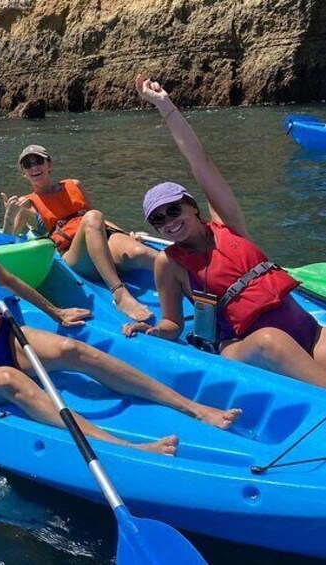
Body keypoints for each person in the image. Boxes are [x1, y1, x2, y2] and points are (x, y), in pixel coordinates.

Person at [0, 202, 241, 456]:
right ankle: (123, 449)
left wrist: (56, 312)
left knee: (77, 351)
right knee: (11, 381)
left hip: (1, 337)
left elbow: (5, 277)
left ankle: (194, 409)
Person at [123, 75, 326, 388]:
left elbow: (199, 160)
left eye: (174, 210)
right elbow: (173, 322)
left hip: (307, 332)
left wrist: (165, 106)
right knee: (271, 341)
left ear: (193, 206)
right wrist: (154, 332)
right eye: (159, 220)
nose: (169, 222)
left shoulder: (229, 225)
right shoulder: (170, 263)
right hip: (243, 344)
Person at [10, 145, 157, 322]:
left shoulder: (74, 185)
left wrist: (125, 233)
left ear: (50, 165)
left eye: (39, 161)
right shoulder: (26, 205)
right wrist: (9, 216)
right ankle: (119, 292)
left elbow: (97, 220)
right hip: (74, 254)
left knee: (141, 252)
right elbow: (7, 240)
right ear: (23, 173)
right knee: (92, 217)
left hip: (101, 237)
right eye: (27, 165)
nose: (34, 167)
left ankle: (193, 282)